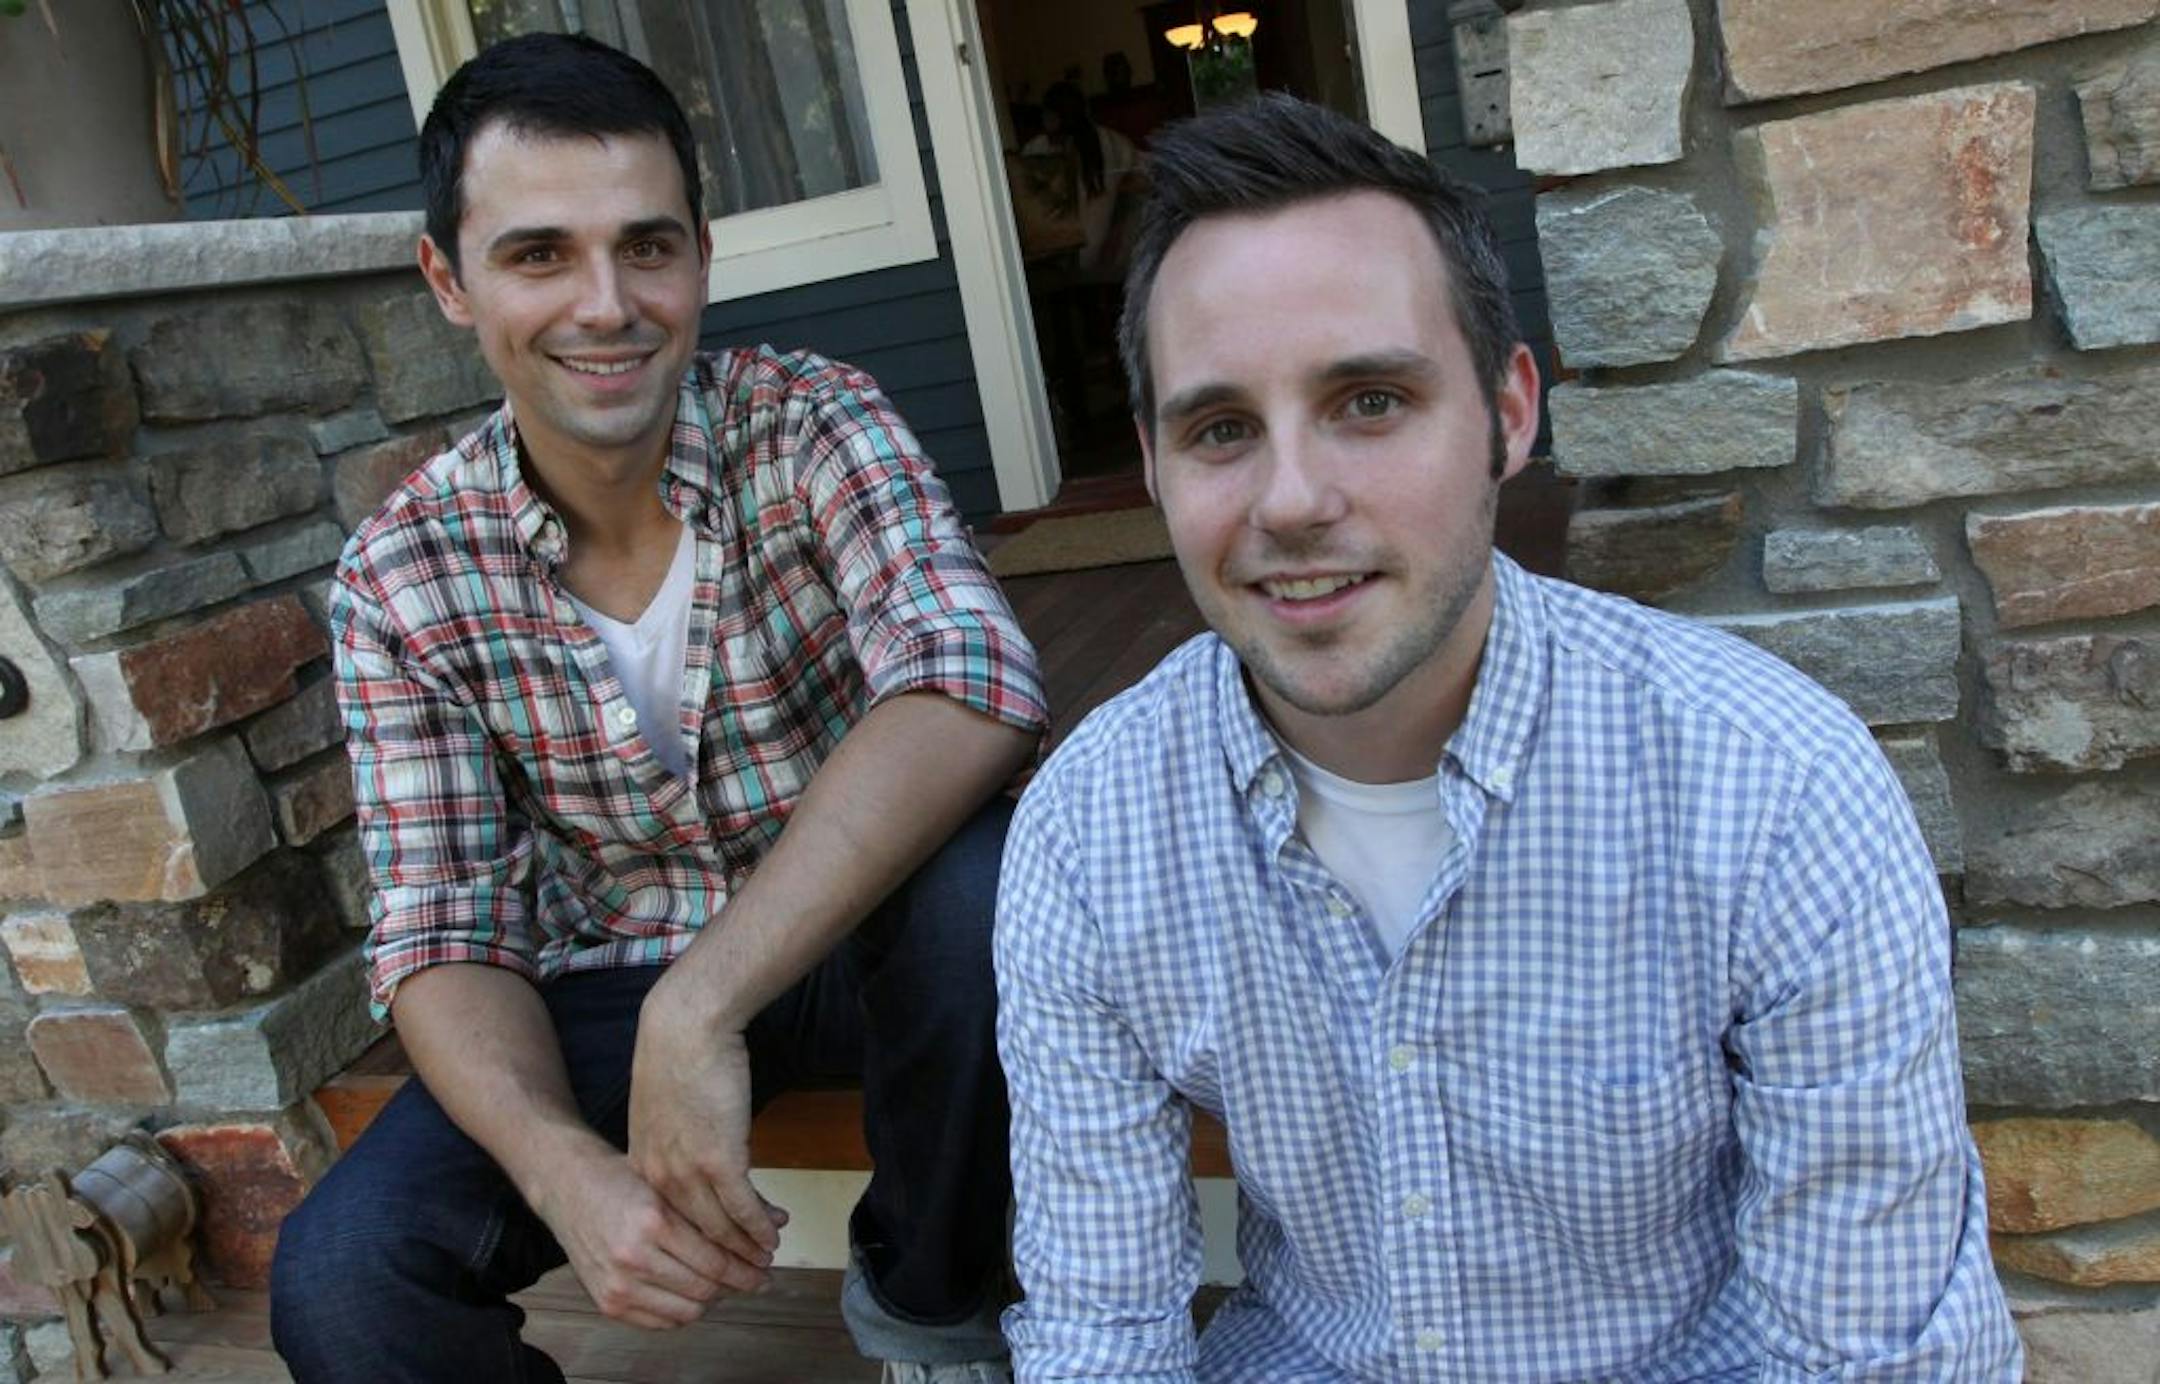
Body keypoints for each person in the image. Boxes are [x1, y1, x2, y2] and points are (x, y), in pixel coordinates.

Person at [994, 94, 2021, 1381]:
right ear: (1150, 466)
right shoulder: (1096, 836)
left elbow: (1876, 1354)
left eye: (1369, 400)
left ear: (1511, 413)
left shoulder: (1770, 791)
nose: (1294, 501)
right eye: (1220, 429)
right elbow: (1104, 1331)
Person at [269, 32, 1045, 1384]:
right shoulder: (403, 572)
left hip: (859, 937)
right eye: (538, 256)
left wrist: (702, 1009)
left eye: (647, 246)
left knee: (986, 893)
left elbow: (971, 682)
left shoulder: (810, 423)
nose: (607, 304)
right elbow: (443, 925)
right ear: (449, 281)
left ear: (701, 251)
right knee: (343, 1281)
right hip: (603, 977)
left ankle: (931, 1310)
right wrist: (566, 1166)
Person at [1021, 81, 1143, 274]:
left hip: (1085, 255)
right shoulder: (1111, 142)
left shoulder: (1107, 144)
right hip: (1091, 254)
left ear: (1053, 116)